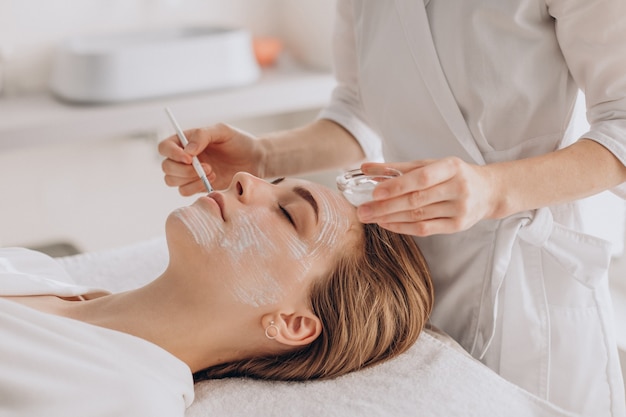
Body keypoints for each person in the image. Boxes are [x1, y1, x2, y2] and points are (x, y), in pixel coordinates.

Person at [158, 1, 626, 415]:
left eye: (289, 213)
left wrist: (494, 190)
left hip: (532, 289)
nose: (248, 186)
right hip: (406, 278)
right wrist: (263, 156)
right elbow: (357, 114)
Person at [0, 173, 434, 417]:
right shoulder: (36, 269)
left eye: (287, 213)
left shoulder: (126, 398)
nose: (247, 180)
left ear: (291, 322)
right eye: (274, 181)